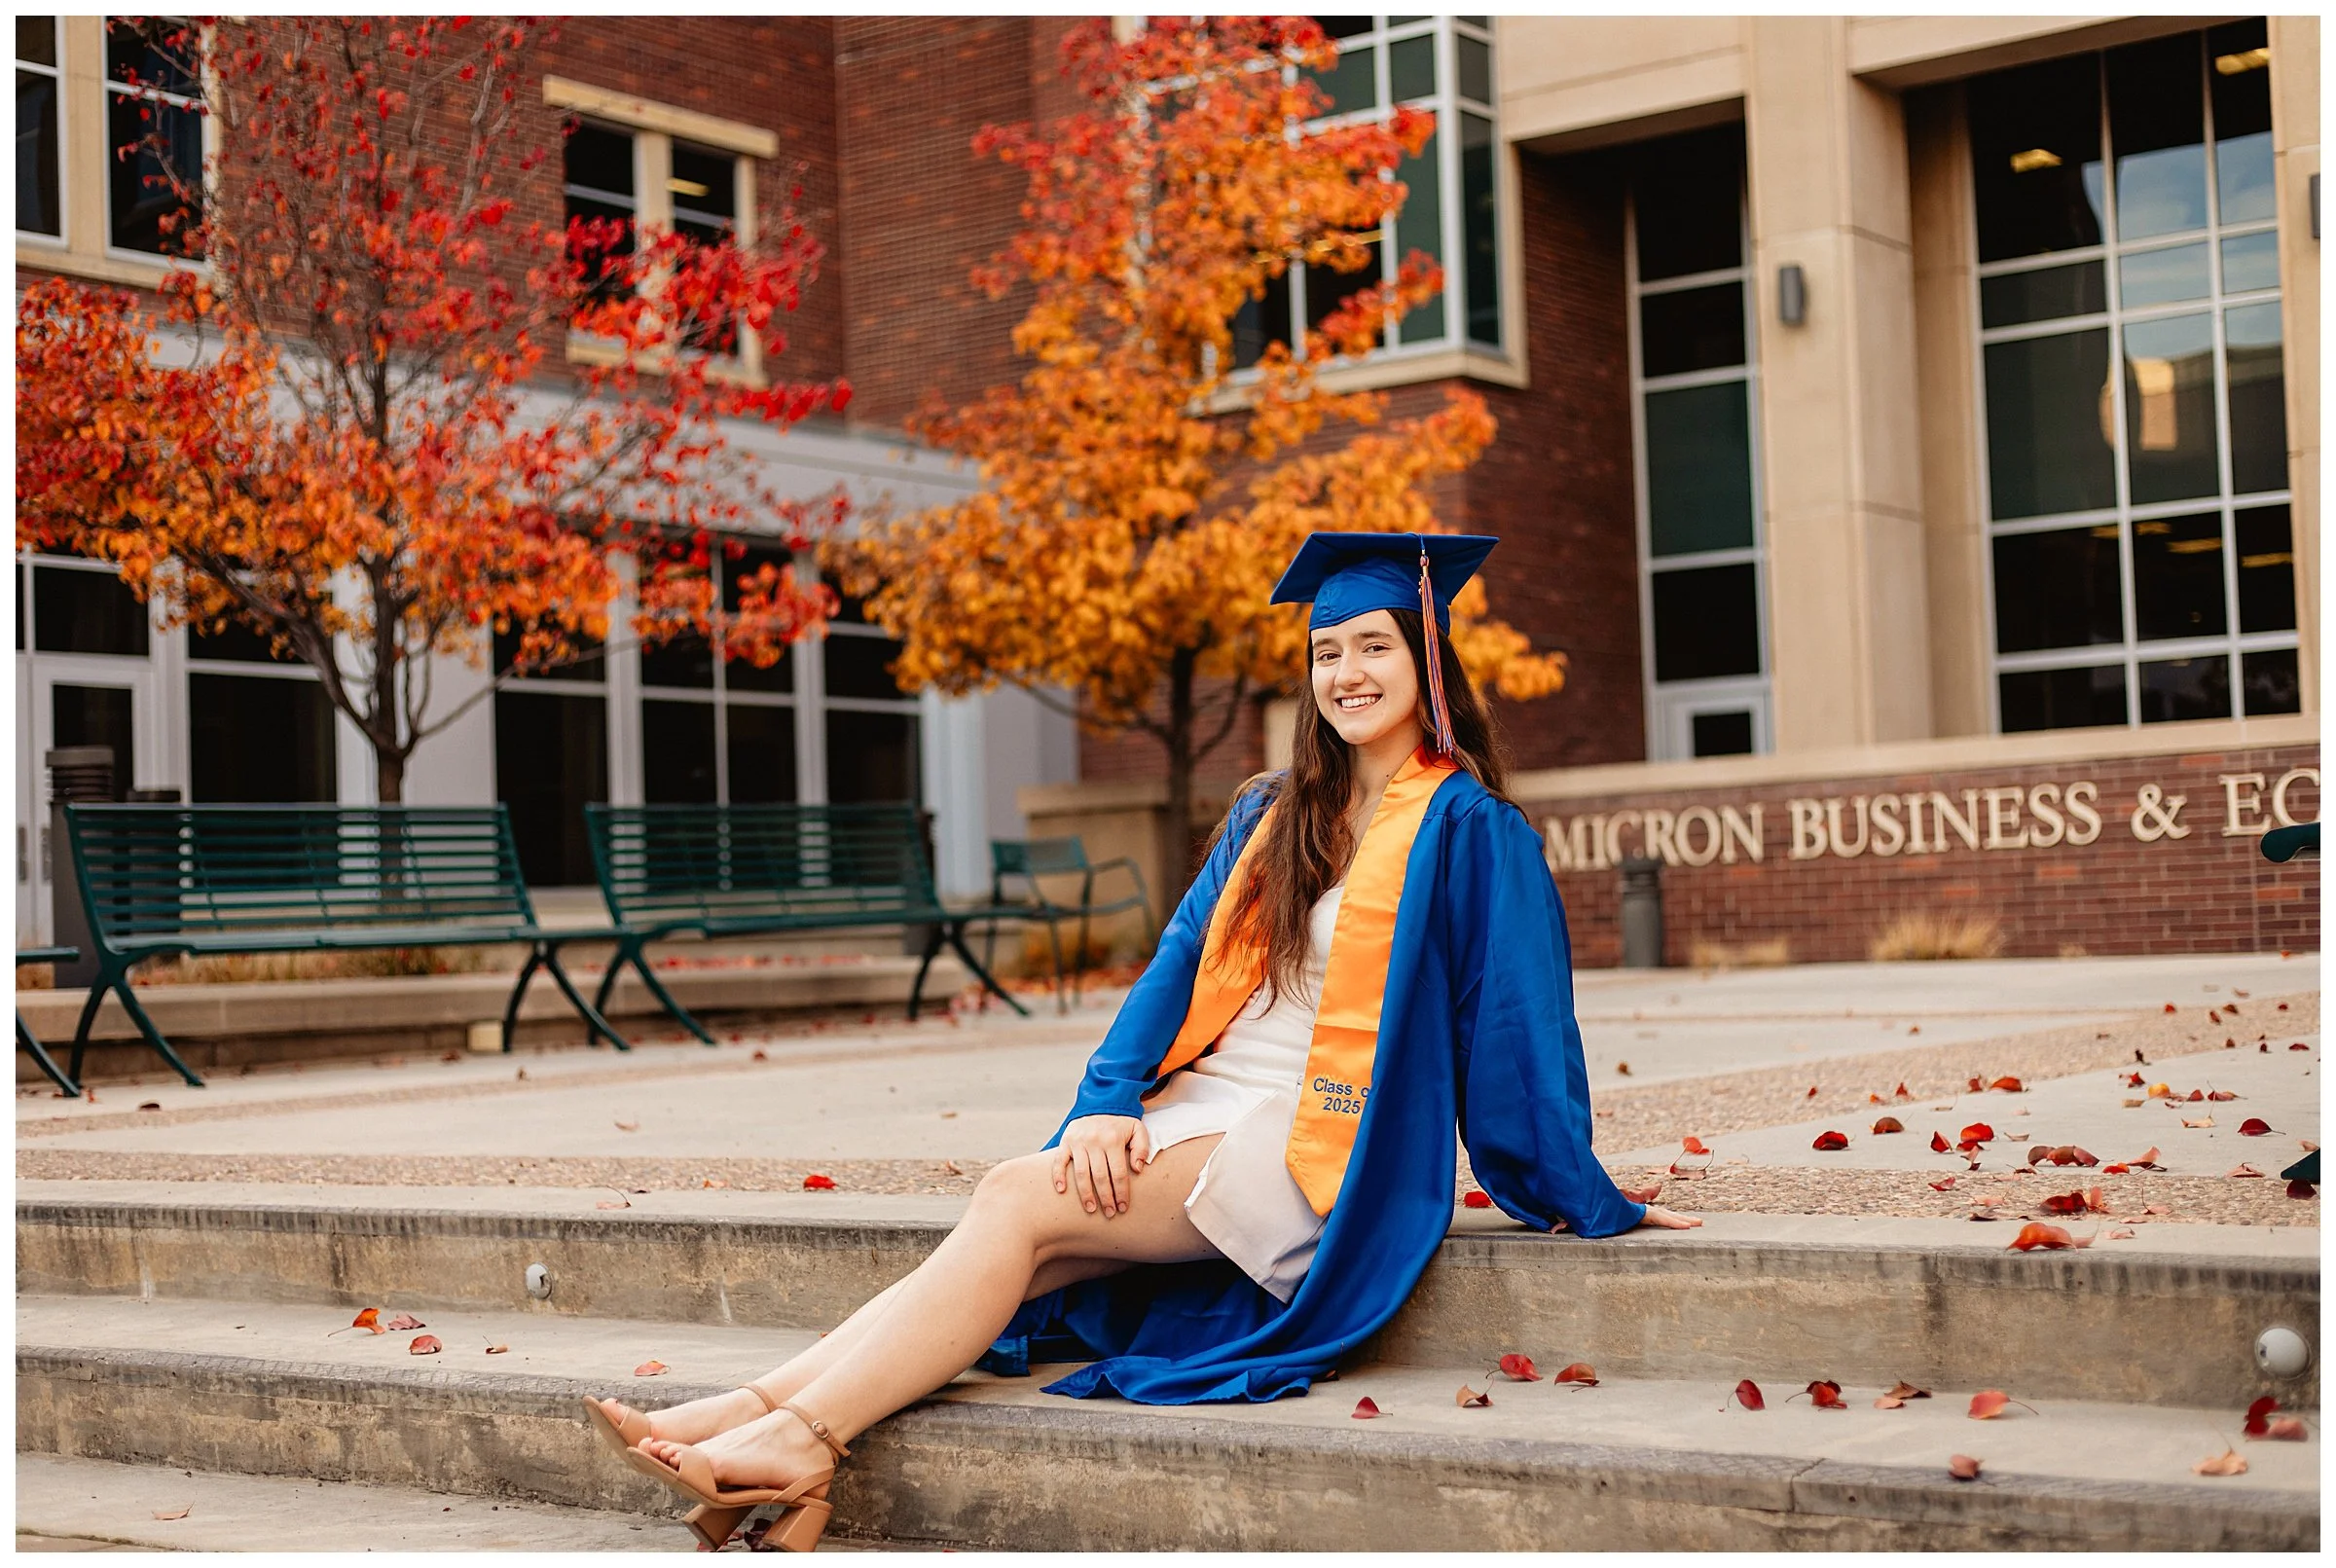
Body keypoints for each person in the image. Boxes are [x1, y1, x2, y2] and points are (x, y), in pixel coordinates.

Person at [587, 530, 1699, 1550]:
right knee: (1017, 1227)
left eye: (1373, 646)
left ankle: (797, 1434)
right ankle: (767, 1426)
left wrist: (1582, 1190)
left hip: (1316, 1141)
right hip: (1204, 1107)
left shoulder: (1473, 829)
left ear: (1428, 665)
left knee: (1016, 1204)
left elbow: (1516, 1025)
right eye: (1326, 652)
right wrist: (1112, 1100)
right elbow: (1174, 969)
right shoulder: (1274, 809)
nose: (1347, 673)